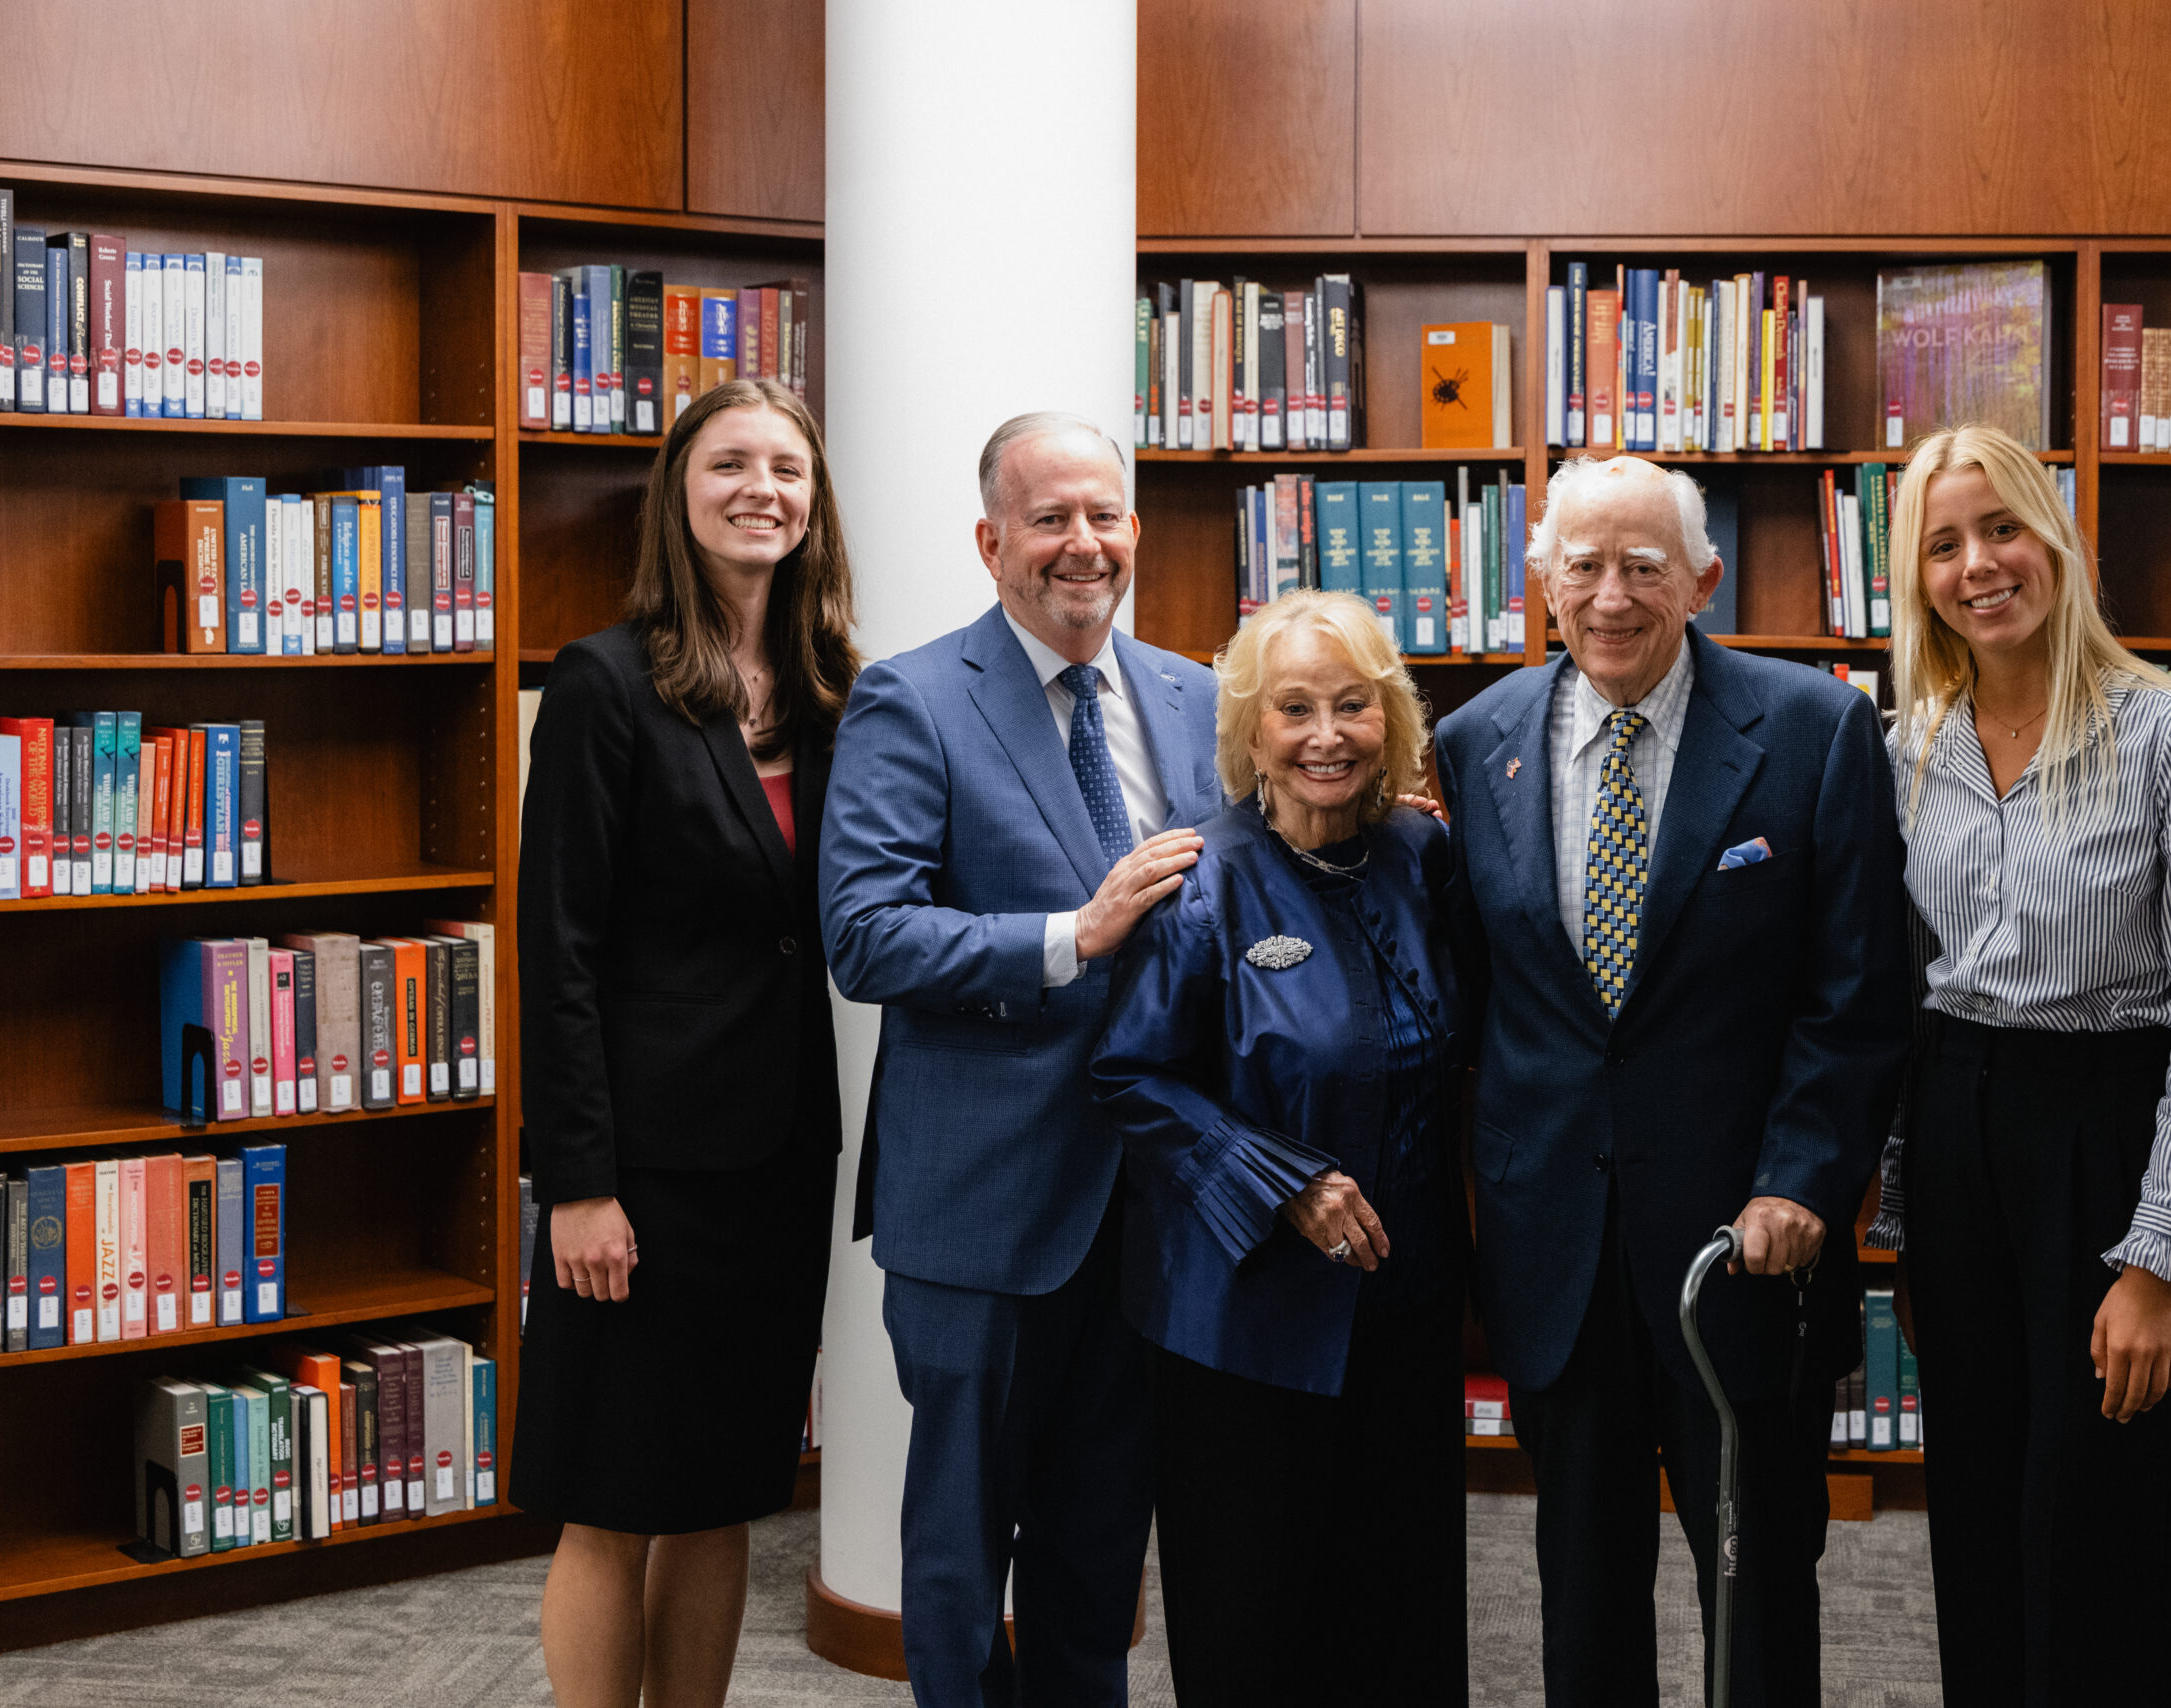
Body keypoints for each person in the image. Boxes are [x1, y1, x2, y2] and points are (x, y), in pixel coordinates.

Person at [1434, 455, 1910, 1708]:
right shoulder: (1472, 741)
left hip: (1743, 1249)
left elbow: (1857, 991)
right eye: (1581, 566)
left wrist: (1805, 1179)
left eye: (1644, 565)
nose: (1610, 595)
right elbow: (1476, 1005)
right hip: (1556, 1251)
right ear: (1540, 584)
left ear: (1701, 579)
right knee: (1581, 1584)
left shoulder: (1814, 728)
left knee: (1756, 1581)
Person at [820, 412, 1221, 1705]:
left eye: (1104, 515)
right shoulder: (914, 698)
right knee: (959, 1553)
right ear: (992, 543)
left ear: (1136, 532)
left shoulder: (1194, 696)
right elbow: (866, 935)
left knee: (1100, 1557)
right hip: (982, 1210)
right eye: (1049, 519)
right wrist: (1072, 935)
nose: (1082, 544)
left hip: (1149, 1213)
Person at [1870, 425, 2171, 1707]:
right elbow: (1900, 990)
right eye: (1943, 543)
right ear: (1916, 574)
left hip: (2106, 1129)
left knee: (2099, 1506)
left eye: (2001, 529)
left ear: (2058, 541)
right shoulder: (1906, 745)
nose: (1978, 564)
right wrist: (1898, 1210)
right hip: (1953, 1129)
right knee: (1977, 1497)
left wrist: (2160, 1259)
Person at [515, 377, 854, 1708]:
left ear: (813, 501)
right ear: (680, 491)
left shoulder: (839, 693)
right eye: (730, 465)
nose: (761, 489)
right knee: (610, 1499)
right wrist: (580, 1183)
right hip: (642, 1171)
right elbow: (562, 954)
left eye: (786, 467)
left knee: (722, 1495)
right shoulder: (607, 684)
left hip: (776, 1158)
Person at [1093, 589, 1468, 1707]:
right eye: (1293, 707)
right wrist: (1283, 1179)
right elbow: (1129, 1072)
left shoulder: (1422, 858)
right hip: (1243, 1324)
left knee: (1396, 1611)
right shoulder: (1198, 874)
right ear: (1250, 730)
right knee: (1254, 1622)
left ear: (1389, 721)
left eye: (1353, 705)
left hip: (1401, 1313)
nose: (1325, 734)